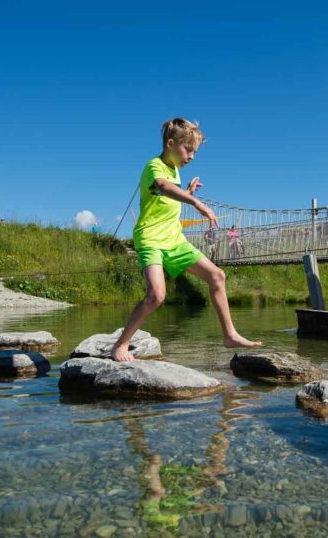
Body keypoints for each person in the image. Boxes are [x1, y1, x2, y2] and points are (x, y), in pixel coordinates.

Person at [109, 118, 261, 362]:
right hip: (151, 238)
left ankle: (229, 334)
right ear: (170, 143)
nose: (192, 156)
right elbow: (161, 187)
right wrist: (195, 201)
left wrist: (188, 191)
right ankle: (121, 344)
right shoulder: (154, 166)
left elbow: (167, 198)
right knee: (157, 295)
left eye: (195, 152)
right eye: (188, 149)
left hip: (174, 239)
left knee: (217, 276)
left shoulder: (175, 171)